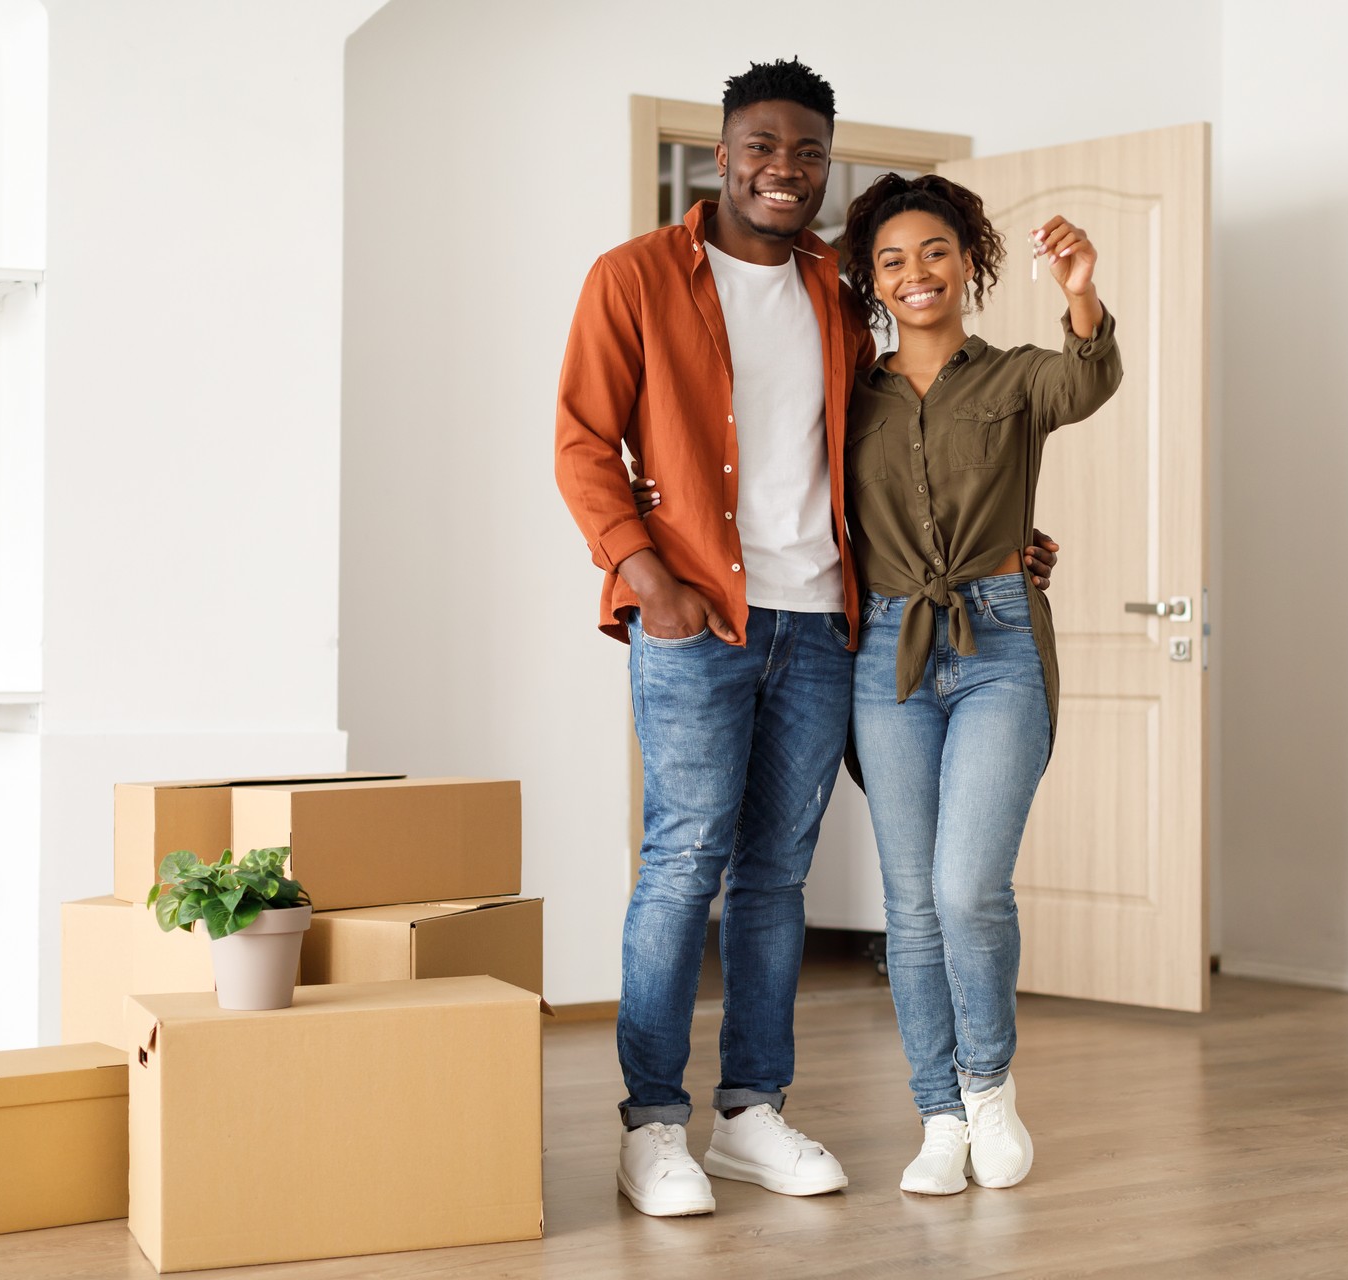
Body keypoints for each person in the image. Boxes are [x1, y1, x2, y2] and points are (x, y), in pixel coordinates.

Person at [554, 60, 1059, 1219]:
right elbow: (584, 442)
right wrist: (647, 579)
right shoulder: (634, 278)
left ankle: (749, 1111)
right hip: (698, 617)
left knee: (776, 874)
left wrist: (996, 540)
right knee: (684, 864)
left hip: (829, 622)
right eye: (762, 148)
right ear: (724, 154)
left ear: (828, 169)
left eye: (808, 154)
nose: (784, 170)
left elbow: (912, 438)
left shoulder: (842, 289)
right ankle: (650, 1124)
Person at [835, 174, 1121, 1195]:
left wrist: (1080, 291)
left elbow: (1086, 380)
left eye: (936, 253)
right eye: (893, 260)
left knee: (968, 887)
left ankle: (991, 1086)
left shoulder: (1014, 379)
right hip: (884, 650)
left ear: (971, 262)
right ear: (872, 281)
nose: (917, 273)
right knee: (910, 903)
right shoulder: (850, 392)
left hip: (998, 644)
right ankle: (939, 1115)